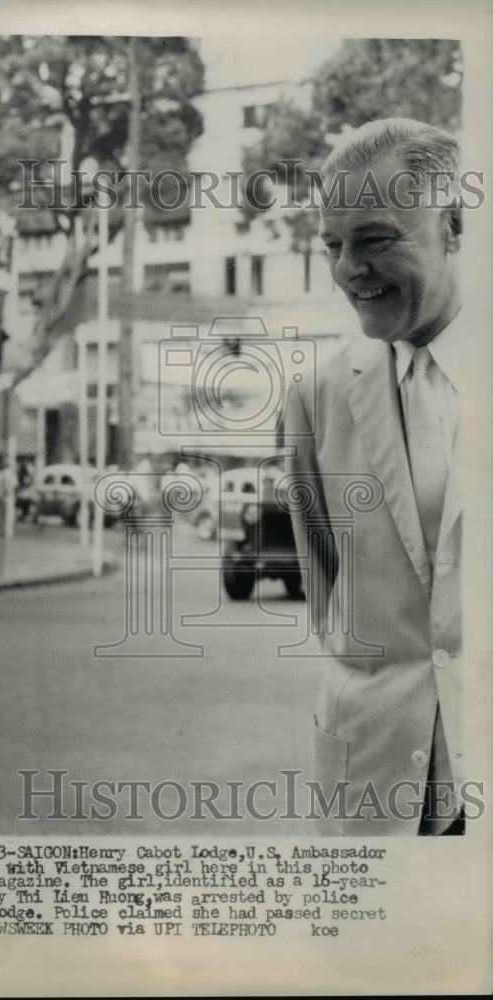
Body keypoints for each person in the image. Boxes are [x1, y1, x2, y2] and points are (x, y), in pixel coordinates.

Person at [284, 119, 467, 835]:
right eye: (334, 245)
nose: (348, 269)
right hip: (374, 783)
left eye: (376, 238)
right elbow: (327, 594)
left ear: (452, 224)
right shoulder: (317, 398)